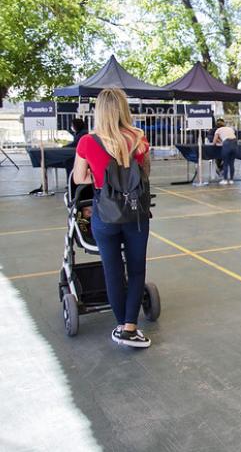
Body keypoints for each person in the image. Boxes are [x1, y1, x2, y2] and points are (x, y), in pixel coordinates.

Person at [72, 88, 152, 348]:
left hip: (104, 214)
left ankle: (120, 325)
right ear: (123, 109)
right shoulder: (139, 138)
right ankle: (131, 326)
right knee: (137, 268)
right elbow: (145, 173)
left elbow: (78, 178)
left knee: (113, 270)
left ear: (100, 111)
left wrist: (102, 179)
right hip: (135, 213)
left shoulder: (87, 142)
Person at [213, 118, 238, 184]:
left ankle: (225, 180)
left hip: (227, 144)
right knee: (232, 163)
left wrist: (218, 143)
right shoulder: (230, 128)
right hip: (235, 143)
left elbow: (214, 142)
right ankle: (231, 180)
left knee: (225, 163)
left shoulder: (218, 130)